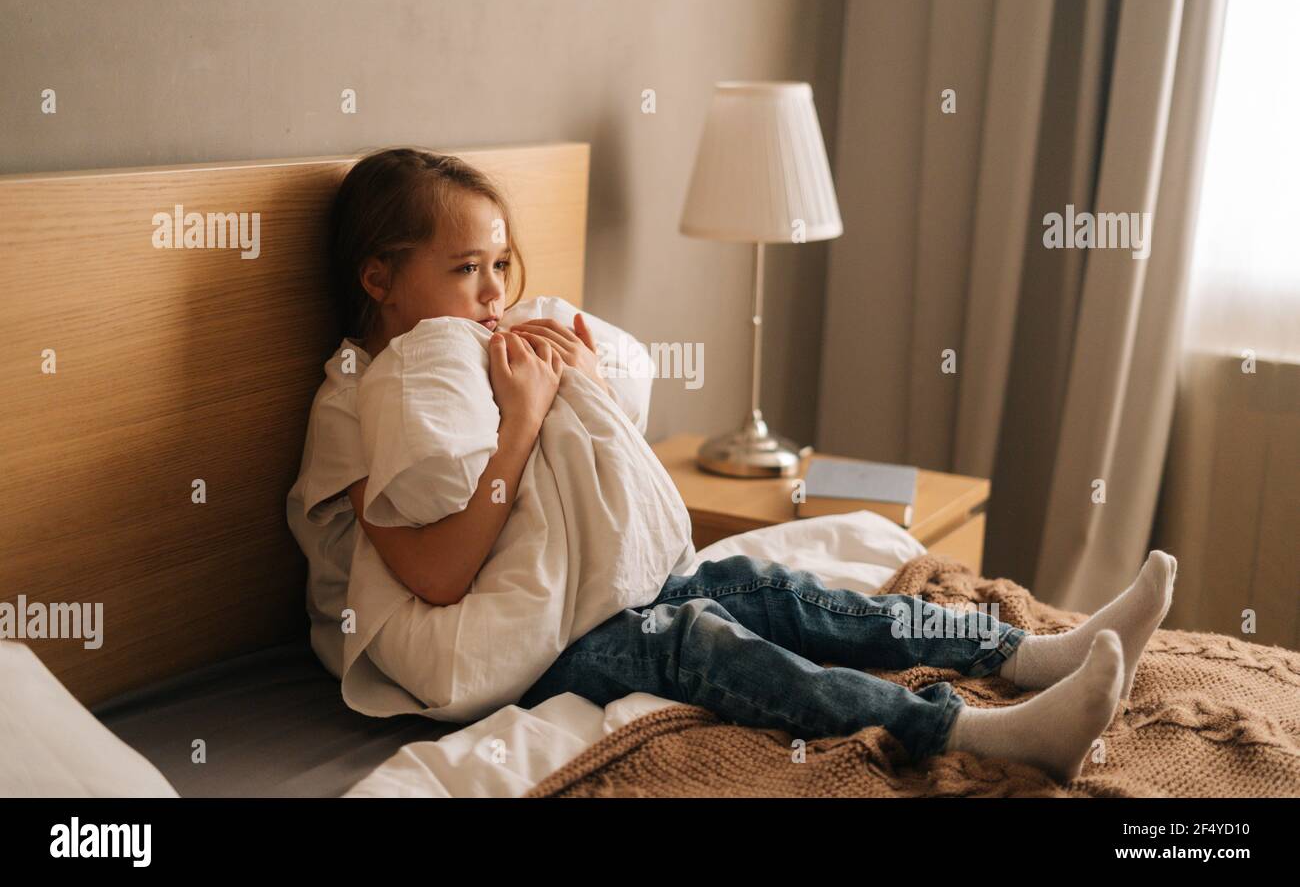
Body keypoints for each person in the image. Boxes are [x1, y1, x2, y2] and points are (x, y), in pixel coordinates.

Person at [288, 146, 1178, 784]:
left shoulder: (467, 357)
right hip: (485, 664)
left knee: (768, 587)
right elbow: (438, 579)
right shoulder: (362, 404)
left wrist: (578, 390)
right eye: (465, 270)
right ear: (378, 280)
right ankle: (976, 733)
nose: (494, 296)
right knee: (694, 642)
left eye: (500, 265)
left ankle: (1026, 654)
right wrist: (523, 422)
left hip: (557, 598)